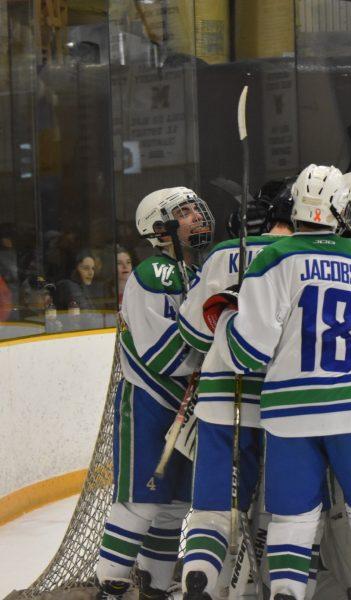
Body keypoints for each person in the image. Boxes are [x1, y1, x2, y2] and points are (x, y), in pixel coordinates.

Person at [205, 164, 351, 600]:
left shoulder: (272, 258)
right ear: (338, 207)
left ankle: (288, 593)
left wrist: (225, 320)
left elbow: (249, 354)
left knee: (293, 521)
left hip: (290, 414)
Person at [176, 180, 295, 600]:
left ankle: (201, 580)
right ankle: (261, 587)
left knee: (212, 509)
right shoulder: (295, 256)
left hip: (220, 398)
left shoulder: (223, 254)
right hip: (282, 402)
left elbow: (192, 329)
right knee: (280, 511)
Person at [95, 187, 214, 600]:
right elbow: (163, 353)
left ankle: (155, 588)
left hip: (187, 408)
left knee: (174, 508)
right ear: (160, 229)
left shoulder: (195, 275)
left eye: (193, 208)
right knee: (140, 504)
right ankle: (109, 587)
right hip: (149, 403)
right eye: (183, 212)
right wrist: (214, 347)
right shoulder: (151, 274)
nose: (196, 217)